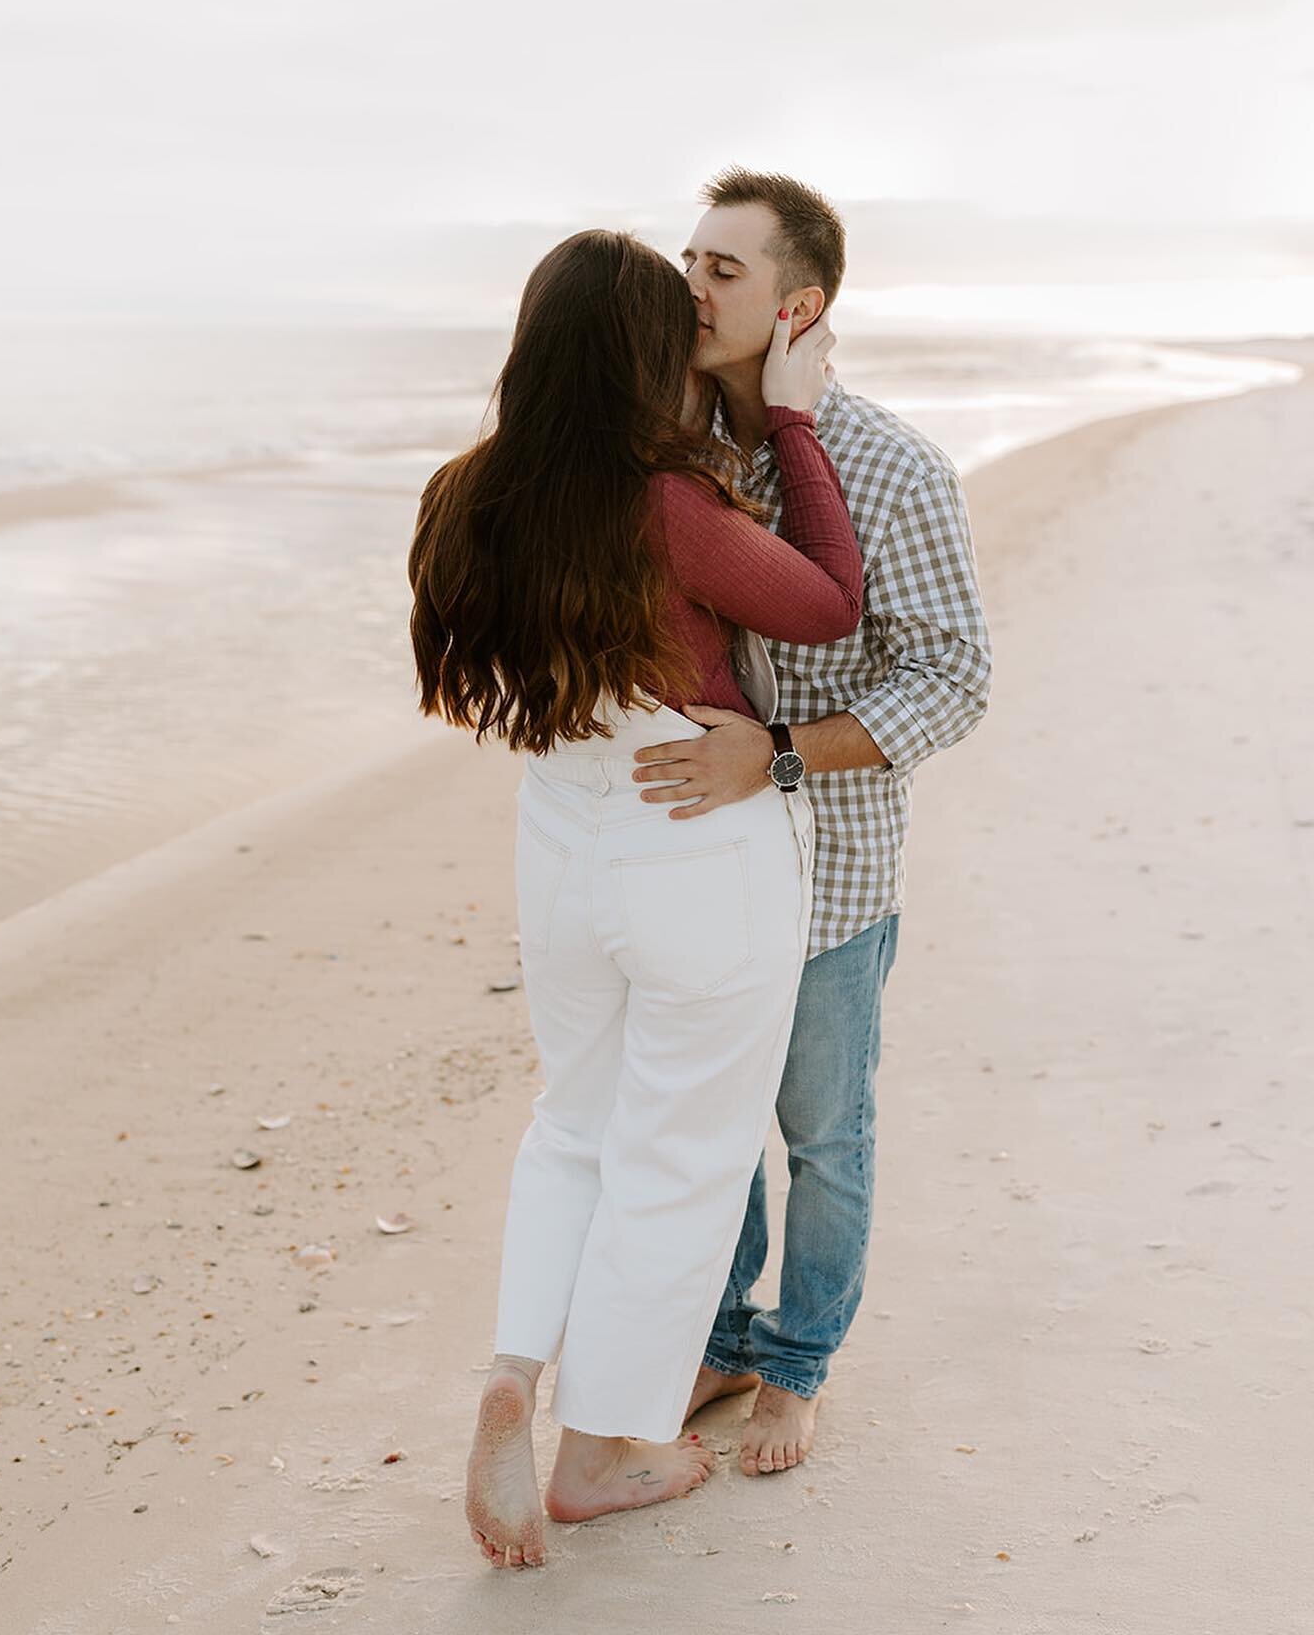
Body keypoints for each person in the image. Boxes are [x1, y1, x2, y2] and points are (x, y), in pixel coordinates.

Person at [407, 227, 864, 1567]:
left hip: (560, 841)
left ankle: (515, 1368)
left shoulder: (465, 494)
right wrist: (791, 420)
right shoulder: (662, 506)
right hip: (693, 845)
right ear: (639, 353)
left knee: (576, 1128)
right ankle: (606, 1445)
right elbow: (827, 607)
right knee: (684, 1152)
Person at [630, 167, 993, 1478]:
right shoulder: (676, 456)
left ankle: (798, 1364)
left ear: (802, 305)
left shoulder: (890, 466)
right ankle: (722, 1339)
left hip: (832, 870)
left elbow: (954, 679)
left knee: (822, 1137)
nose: (693, 289)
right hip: (695, 868)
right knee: (708, 1125)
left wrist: (774, 758)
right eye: (687, 263)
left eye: (722, 271)